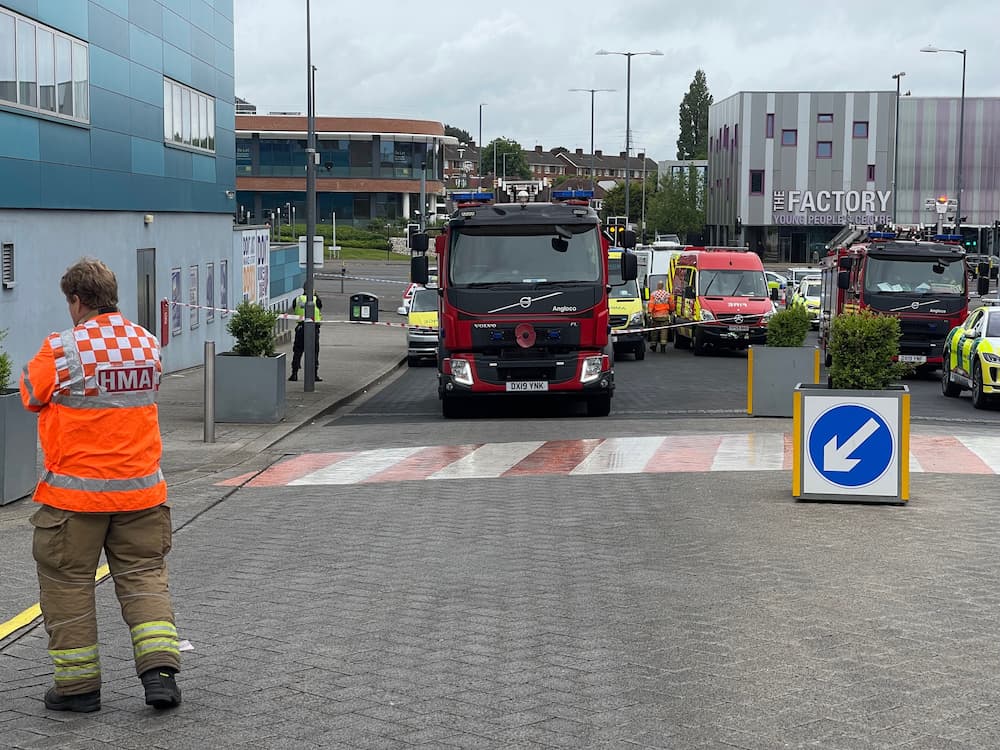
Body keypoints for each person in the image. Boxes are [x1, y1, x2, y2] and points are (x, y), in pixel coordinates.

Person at [19, 258, 181, 713]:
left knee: (68, 586)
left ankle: (79, 688)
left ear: (76, 300)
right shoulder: (147, 343)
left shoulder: (62, 348)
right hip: (142, 494)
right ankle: (160, 675)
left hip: (75, 500)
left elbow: (30, 394)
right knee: (144, 579)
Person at [289, 289, 323, 381]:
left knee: (297, 351)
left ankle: (294, 374)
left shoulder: (297, 299)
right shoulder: (316, 299)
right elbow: (320, 307)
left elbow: (294, 308)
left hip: (300, 328)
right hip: (313, 328)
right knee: (314, 352)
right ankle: (314, 375)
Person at [647, 280, 672, 352]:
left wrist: (649, 312)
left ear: (658, 286)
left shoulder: (653, 294)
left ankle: (653, 345)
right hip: (665, 316)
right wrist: (671, 310)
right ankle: (663, 346)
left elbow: (651, 304)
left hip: (656, 316)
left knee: (654, 331)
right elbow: (671, 304)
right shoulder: (667, 294)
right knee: (664, 331)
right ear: (663, 286)